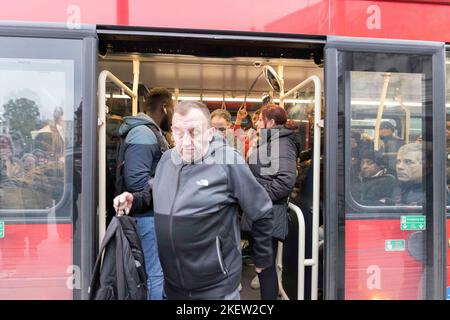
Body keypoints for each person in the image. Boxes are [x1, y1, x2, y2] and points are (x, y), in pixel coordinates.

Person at [114, 101, 274, 300]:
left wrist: (263, 261)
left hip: (216, 290)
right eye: (179, 133)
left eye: (194, 132)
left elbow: (262, 210)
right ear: (172, 132)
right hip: (173, 287)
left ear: (209, 132)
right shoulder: (167, 160)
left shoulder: (228, 161)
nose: (186, 142)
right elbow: (154, 191)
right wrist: (134, 199)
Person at [116, 87, 173, 300]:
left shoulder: (151, 132)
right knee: (154, 275)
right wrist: (172, 181)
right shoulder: (143, 133)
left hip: (153, 214)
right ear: (165, 108)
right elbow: (137, 182)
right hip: (147, 216)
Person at [246, 104, 301, 300]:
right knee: (264, 267)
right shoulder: (271, 141)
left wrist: (256, 196)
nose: (257, 123)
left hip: (269, 213)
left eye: (260, 120)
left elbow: (285, 181)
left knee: (265, 268)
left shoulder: (281, 144)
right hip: (263, 212)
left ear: (270, 122)